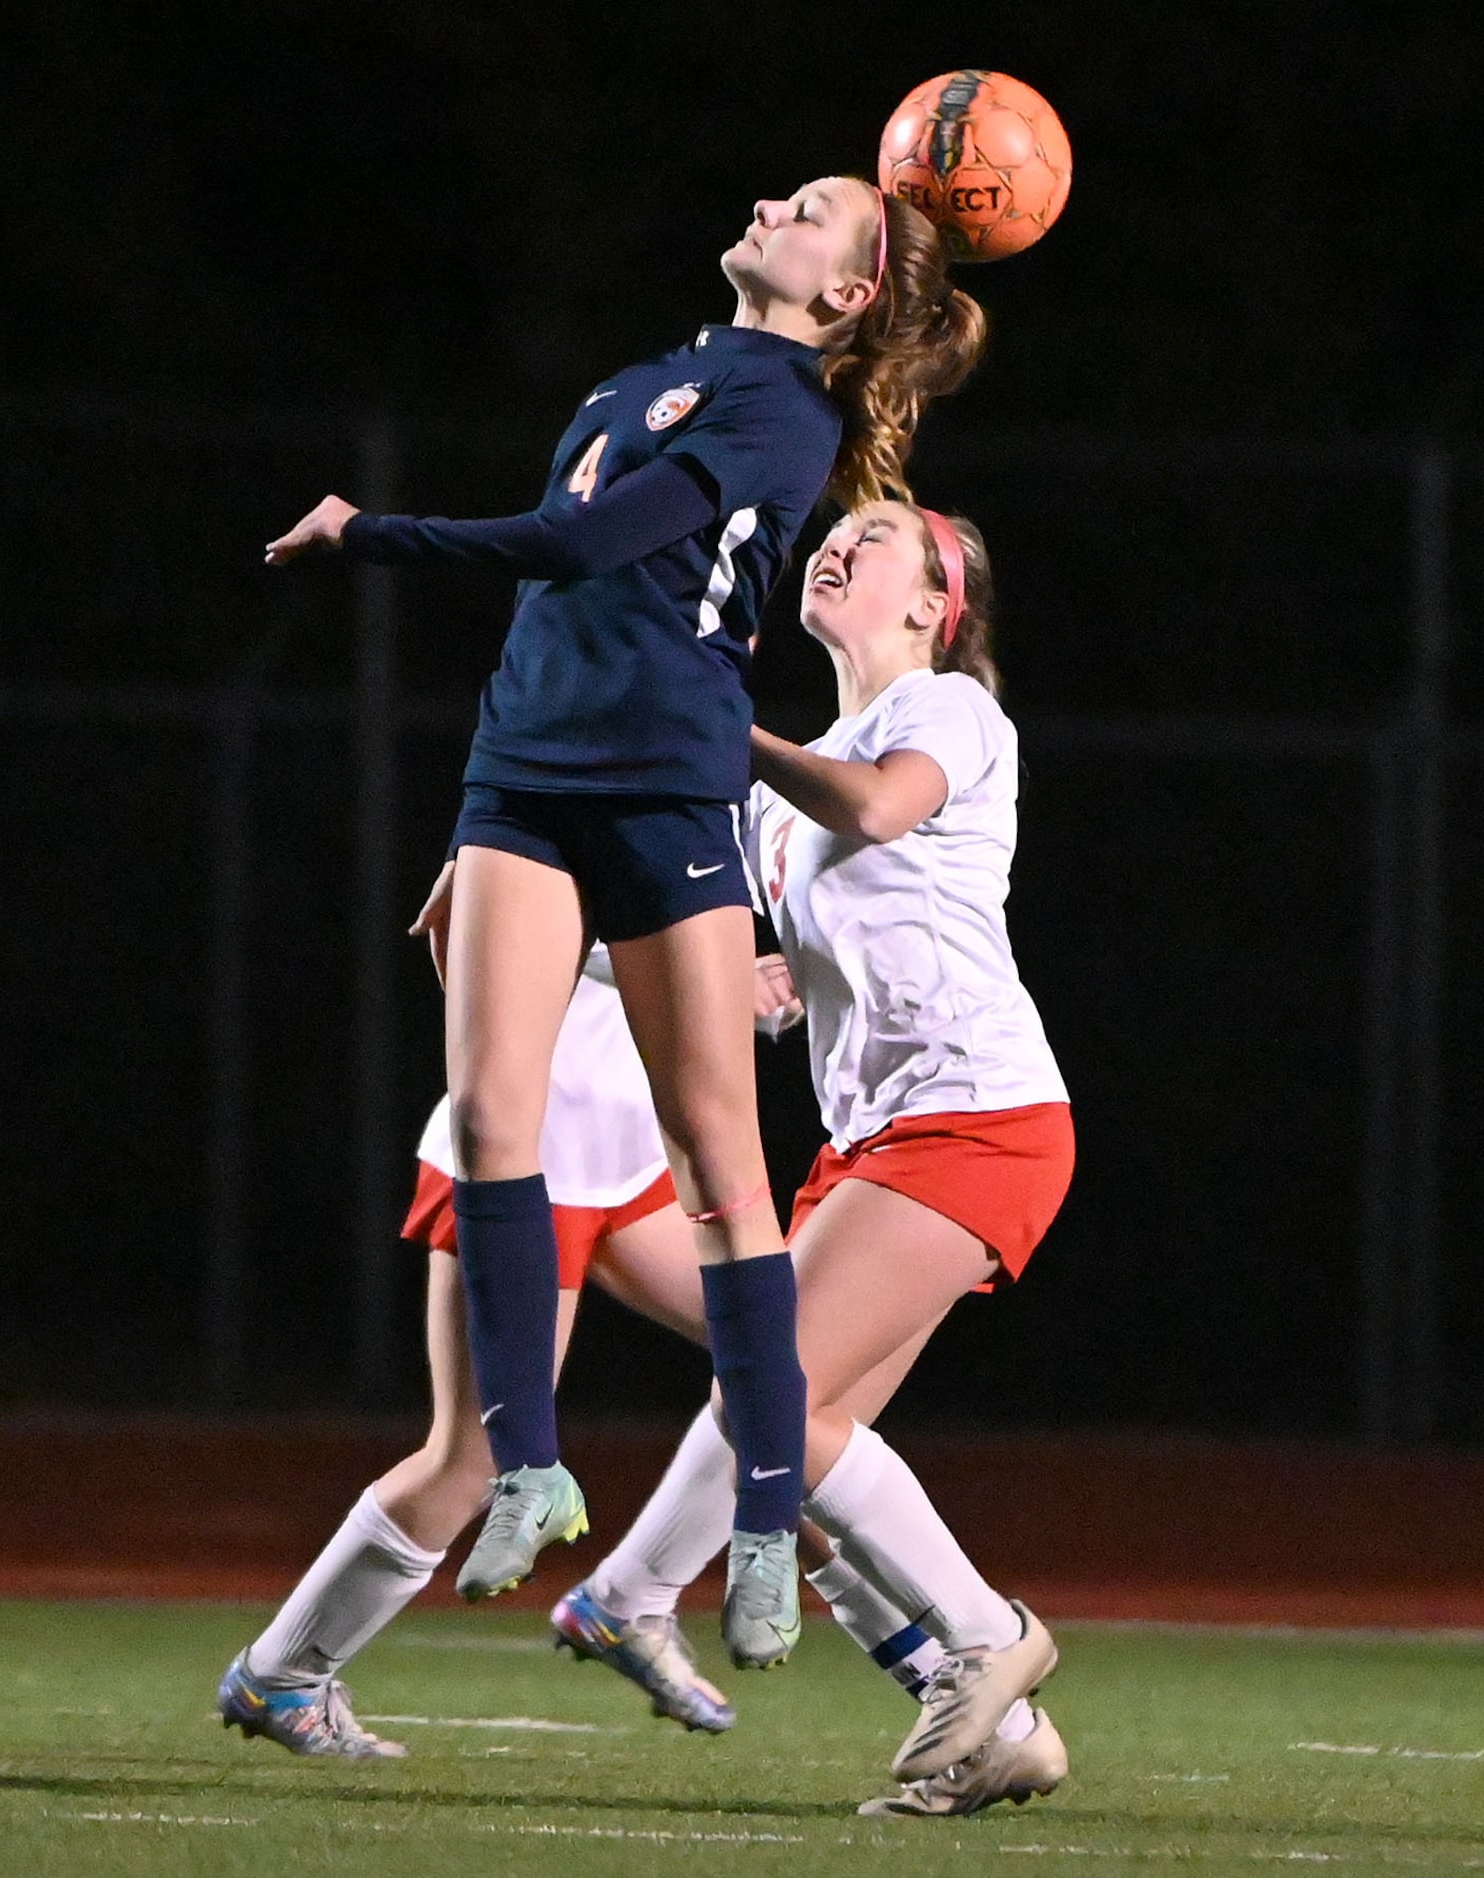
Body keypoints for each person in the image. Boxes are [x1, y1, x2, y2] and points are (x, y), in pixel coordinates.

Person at [262, 177, 986, 1658]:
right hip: (520, 768)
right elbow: (564, 586)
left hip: (664, 775)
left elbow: (589, 546)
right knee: (484, 1120)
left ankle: (767, 1522)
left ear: (846, 295)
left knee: (719, 1152)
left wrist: (372, 537)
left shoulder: (791, 409)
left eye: (810, 210)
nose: (769, 203)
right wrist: (479, 793)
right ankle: (526, 1466)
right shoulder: (644, 375)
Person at [552, 500, 1076, 1820]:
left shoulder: (947, 712)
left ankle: (976, 1629)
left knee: (767, 1390)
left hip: (979, 1116)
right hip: (872, 1140)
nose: (841, 541)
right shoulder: (782, 798)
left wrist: (724, 729)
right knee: (807, 1446)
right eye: (837, 530)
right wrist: (535, 923)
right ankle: (999, 1729)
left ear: (932, 604)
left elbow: (881, 813)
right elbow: (710, 953)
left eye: (882, 535)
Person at [214, 919, 1003, 1763]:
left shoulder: (703, 805)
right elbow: (485, 925)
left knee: (791, 1387)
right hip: (529, 1162)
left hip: (628, 1164)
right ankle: (283, 1674)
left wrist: (742, 990)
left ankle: (640, 1602)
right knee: (474, 1458)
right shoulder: (554, 789)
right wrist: (692, 973)